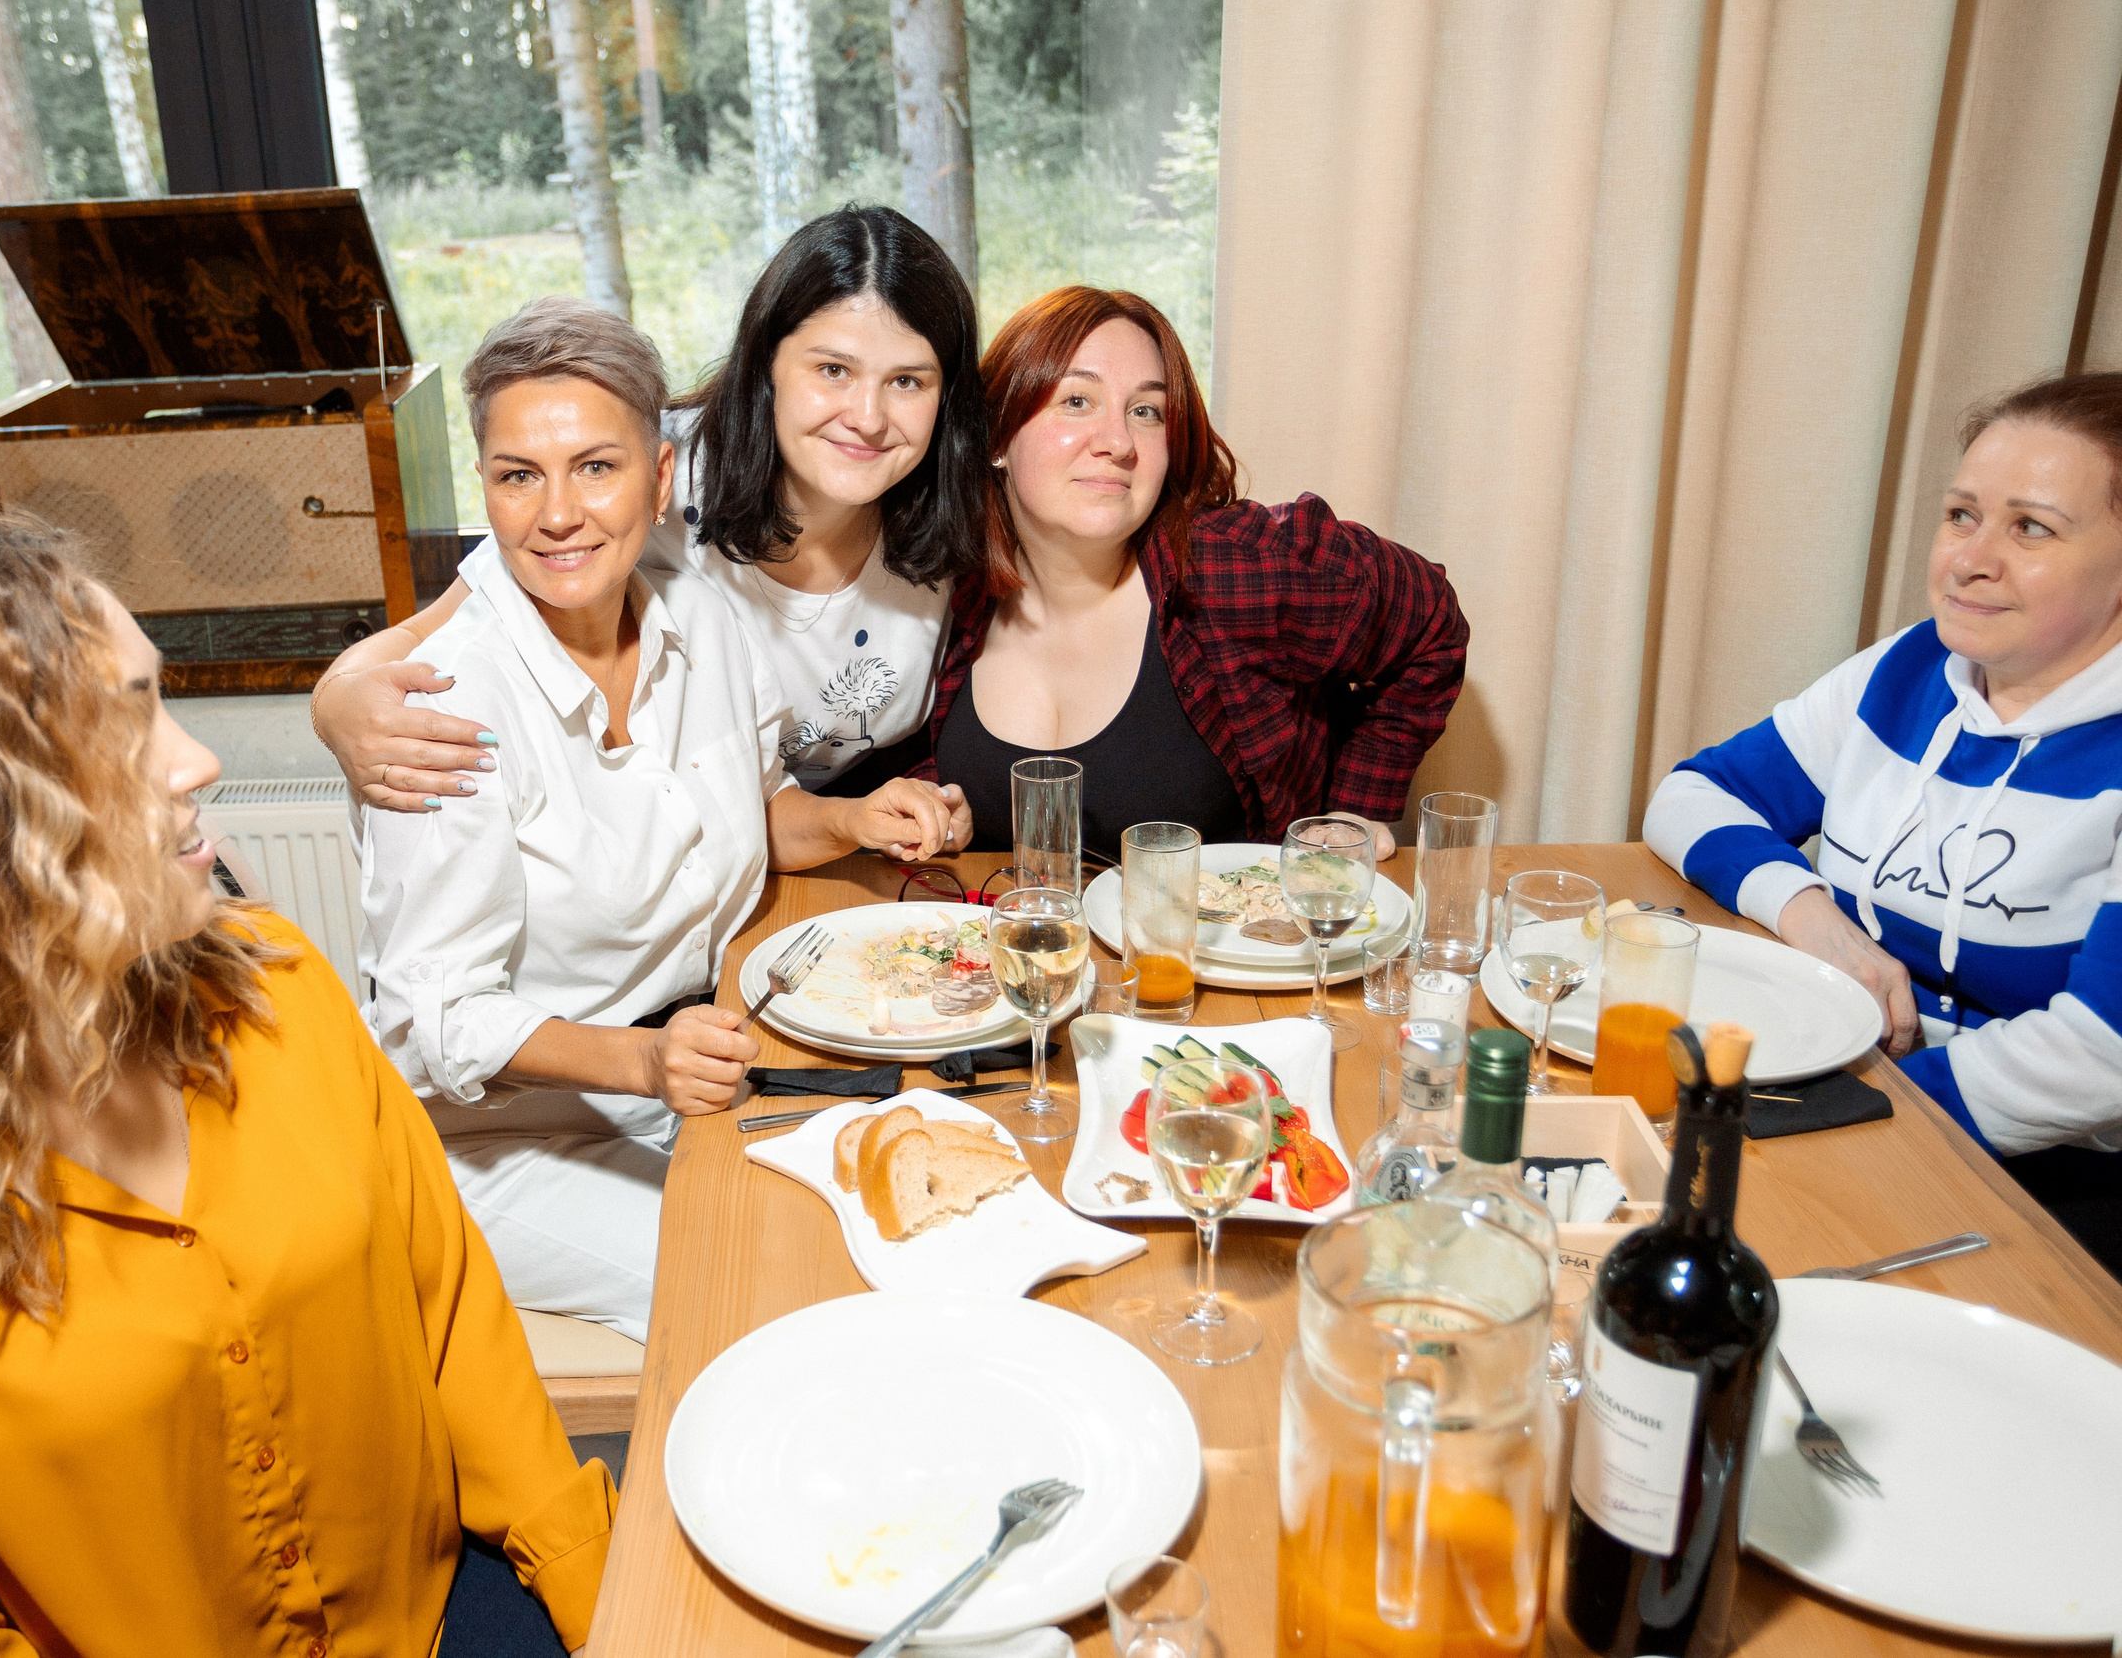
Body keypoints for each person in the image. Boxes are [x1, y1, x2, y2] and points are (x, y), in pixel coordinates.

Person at [0, 519, 610, 1656]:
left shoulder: (280, 994)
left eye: (162, 700)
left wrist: (607, 1599)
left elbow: (454, 1331)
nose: (195, 760)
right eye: (120, 722)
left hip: (445, 1611)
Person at [357, 299, 968, 1342]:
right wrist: (644, 1063)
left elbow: (749, 809)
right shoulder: (451, 712)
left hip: (684, 1071)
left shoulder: (702, 614)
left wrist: (855, 820)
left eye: (595, 467)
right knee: (776, 1294)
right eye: (518, 476)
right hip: (498, 1141)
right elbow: (433, 1022)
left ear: (661, 476)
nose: (558, 513)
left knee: (925, 1211)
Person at [1646, 370, 2122, 1270]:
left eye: (2031, 527)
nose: (1971, 558)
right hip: (1856, 1090)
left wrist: (1860, 1109)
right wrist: (1810, 914)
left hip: (2049, 1179)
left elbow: (2099, 1057)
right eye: (1960, 515)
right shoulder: (1910, 667)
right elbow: (1691, 794)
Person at [315, 203, 988, 809]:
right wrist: (336, 703)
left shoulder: (951, 511)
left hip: (840, 853)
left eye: (906, 380)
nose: (867, 418)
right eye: (832, 370)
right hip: (673, 853)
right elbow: (425, 635)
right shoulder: (649, 478)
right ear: (766, 368)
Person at [914, 285, 1468, 861]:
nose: (1118, 442)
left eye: (1145, 411)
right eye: (1076, 401)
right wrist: (942, 814)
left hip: (1215, 947)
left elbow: (1432, 620)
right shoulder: (941, 589)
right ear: (996, 437)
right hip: (1016, 947)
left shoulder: (1235, 569)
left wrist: (1358, 805)